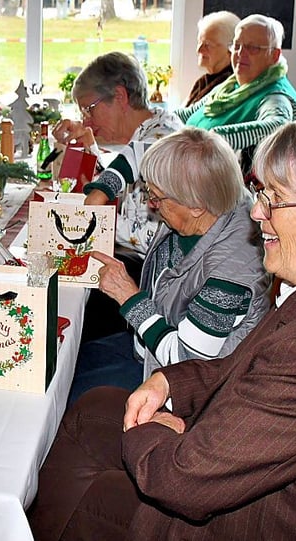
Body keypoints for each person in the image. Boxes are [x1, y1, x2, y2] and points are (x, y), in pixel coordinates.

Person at [29, 111, 296, 541]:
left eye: (274, 197)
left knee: (101, 493)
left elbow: (180, 481)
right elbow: (235, 364)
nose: (256, 211)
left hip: (251, 521)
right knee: (95, 408)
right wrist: (169, 384)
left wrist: (152, 426)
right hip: (244, 456)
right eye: (260, 191)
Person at [69, 128, 269, 402]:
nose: (151, 205)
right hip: (145, 345)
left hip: (170, 384)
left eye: (157, 197)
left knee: (71, 396)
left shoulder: (229, 279)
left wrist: (129, 298)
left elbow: (185, 364)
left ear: (196, 205)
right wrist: (102, 190)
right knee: (66, 359)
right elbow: (138, 152)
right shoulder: (214, 192)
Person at [50, 51, 182, 341]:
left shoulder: (162, 143)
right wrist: (93, 153)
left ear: (120, 96)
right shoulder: (153, 129)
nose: (87, 119)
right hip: (144, 263)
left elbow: (146, 235)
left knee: (62, 285)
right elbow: (129, 194)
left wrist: (74, 222)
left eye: (90, 108)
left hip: (155, 278)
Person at [176, 14, 296, 168]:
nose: (240, 54)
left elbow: (278, 125)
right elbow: (187, 114)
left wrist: (212, 139)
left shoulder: (276, 95)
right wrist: (152, 117)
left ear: (274, 55)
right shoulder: (230, 86)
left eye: (252, 48)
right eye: (237, 46)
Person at [185, 11, 239, 106]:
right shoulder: (202, 82)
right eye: (199, 42)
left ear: (231, 49)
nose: (199, 50)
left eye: (207, 45)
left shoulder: (228, 87)